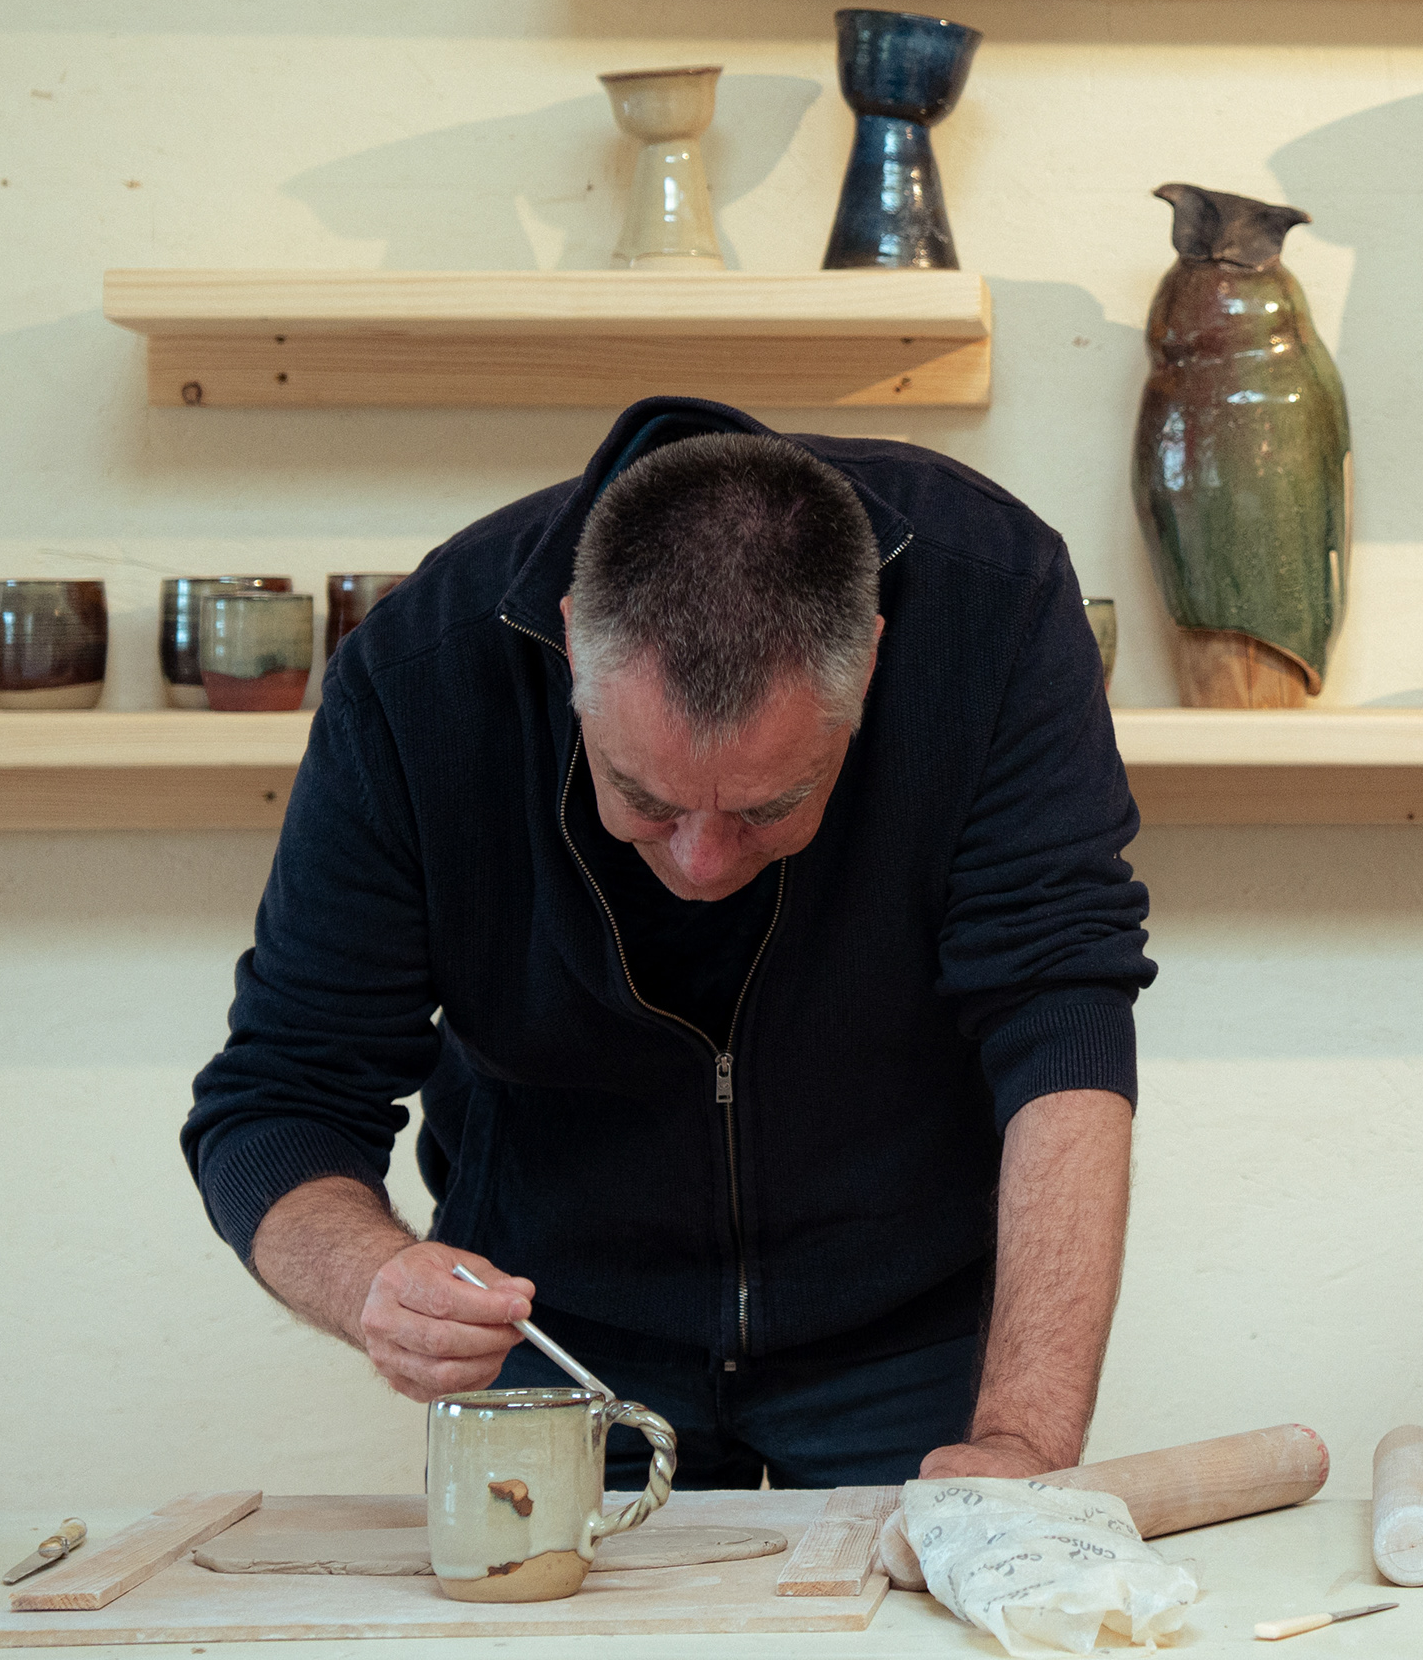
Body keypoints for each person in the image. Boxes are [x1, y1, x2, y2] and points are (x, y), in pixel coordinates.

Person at [182, 397, 1153, 1488]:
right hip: (557, 1338)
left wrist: (1021, 1444)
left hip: (908, 1326)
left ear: (872, 660)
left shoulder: (994, 604)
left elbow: (1061, 1020)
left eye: (768, 807)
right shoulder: (419, 678)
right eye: (643, 799)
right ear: (570, 646)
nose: (701, 864)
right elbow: (281, 1099)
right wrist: (372, 1278)